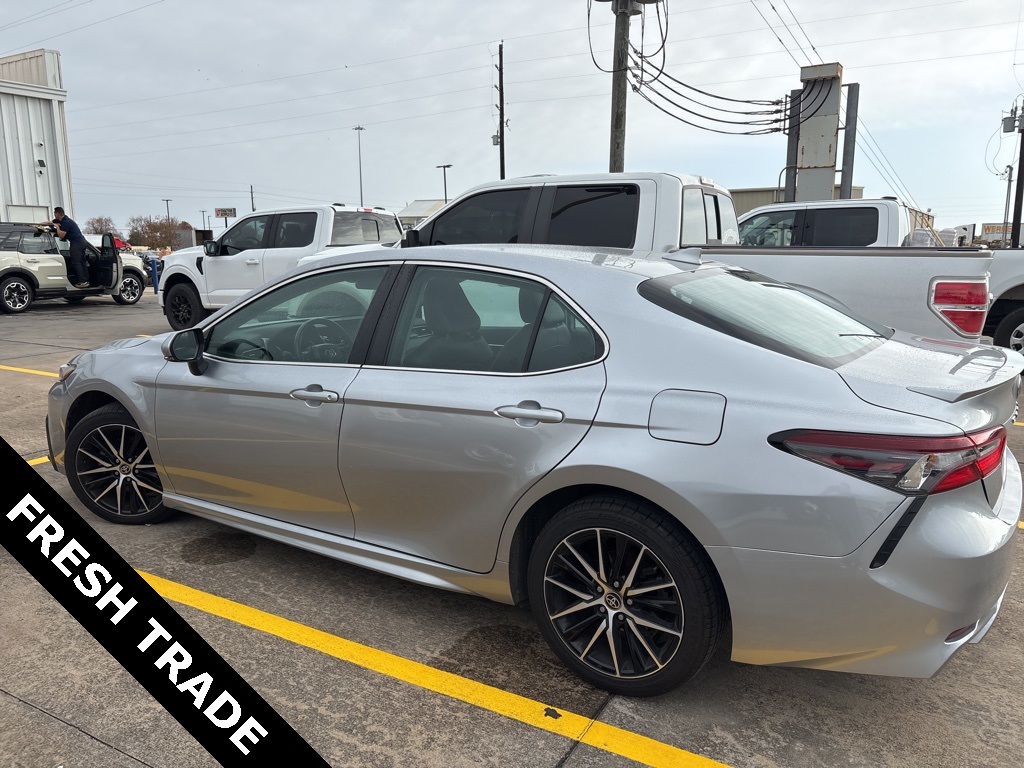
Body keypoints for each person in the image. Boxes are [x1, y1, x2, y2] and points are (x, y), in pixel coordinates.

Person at [38, 207, 89, 287]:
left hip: (77, 243)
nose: (54, 215)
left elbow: (61, 235)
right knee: (81, 262)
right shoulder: (61, 220)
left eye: (54, 213)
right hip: (82, 242)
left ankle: (83, 282)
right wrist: (38, 225)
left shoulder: (66, 222)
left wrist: (57, 227)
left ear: (57, 213)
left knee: (76, 262)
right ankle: (86, 280)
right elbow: (50, 222)